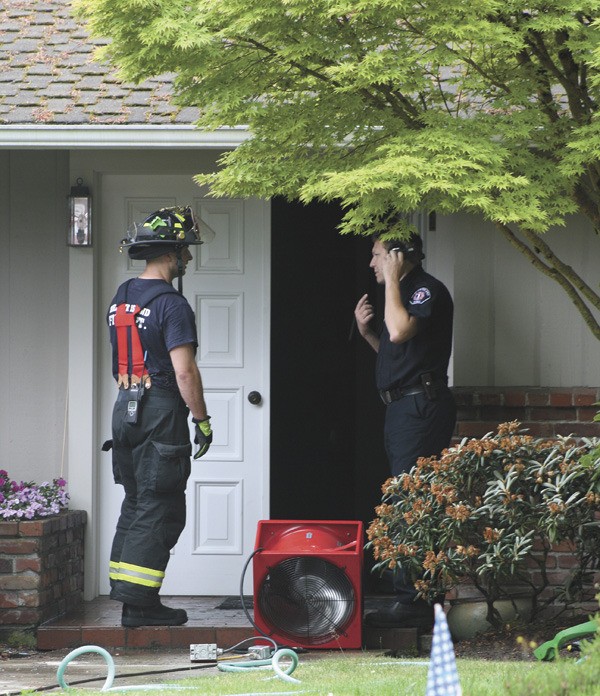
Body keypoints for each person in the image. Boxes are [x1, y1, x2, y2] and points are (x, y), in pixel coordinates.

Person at [106, 206, 213, 628]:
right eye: (185, 249)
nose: (188, 257)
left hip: (125, 408)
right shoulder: (172, 304)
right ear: (170, 252)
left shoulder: (122, 295)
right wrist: (201, 421)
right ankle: (141, 606)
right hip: (160, 410)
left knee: (136, 499)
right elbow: (184, 371)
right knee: (161, 505)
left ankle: (129, 595)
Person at [354, 231, 456, 630]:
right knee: (404, 496)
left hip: (420, 407)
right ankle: (415, 597)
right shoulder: (403, 293)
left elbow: (400, 333)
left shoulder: (424, 290)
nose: (372, 264)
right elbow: (398, 355)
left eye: (378, 255)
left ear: (399, 257)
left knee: (410, 501)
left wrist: (393, 280)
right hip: (404, 407)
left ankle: (415, 602)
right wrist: (367, 335)